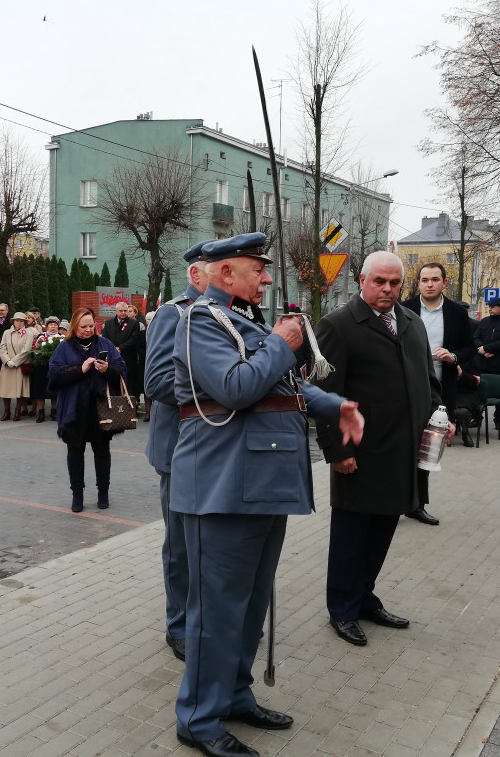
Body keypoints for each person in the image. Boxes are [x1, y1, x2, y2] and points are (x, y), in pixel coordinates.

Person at [170, 233, 363, 757]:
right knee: (215, 611)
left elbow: (285, 388)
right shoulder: (198, 322)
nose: (268, 277)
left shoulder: (248, 322)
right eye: (258, 268)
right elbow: (234, 387)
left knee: (251, 603)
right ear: (224, 274)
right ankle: (198, 718)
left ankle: (233, 693)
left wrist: (335, 405)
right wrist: (282, 343)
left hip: (260, 483)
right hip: (222, 485)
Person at [316, 251, 446, 648]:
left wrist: (440, 413)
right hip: (361, 450)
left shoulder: (411, 322)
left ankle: (365, 597)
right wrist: (337, 451)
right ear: (362, 280)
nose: (388, 290)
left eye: (394, 283)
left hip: (405, 450)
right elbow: (323, 394)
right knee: (352, 535)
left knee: (385, 527)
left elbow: (428, 378)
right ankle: (342, 608)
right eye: (380, 282)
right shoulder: (338, 325)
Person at [143, 240, 212, 662]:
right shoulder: (175, 313)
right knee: (182, 546)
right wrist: (218, 389)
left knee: (215, 544)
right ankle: (180, 625)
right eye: (216, 270)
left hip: (217, 448)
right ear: (195, 275)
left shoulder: (229, 314)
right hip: (179, 447)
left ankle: (213, 619)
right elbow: (155, 382)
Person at [402, 262, 471, 519]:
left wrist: (453, 356)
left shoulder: (456, 313)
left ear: (444, 282)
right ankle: (397, 500)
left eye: (435, 279)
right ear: (418, 283)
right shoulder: (404, 309)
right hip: (406, 389)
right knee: (402, 447)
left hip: (440, 391)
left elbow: (468, 348)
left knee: (428, 446)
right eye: (424, 279)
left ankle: (417, 505)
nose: (429, 284)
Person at [48, 308, 126, 512]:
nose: (88, 330)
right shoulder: (64, 347)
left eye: (91, 326)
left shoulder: (105, 343)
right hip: (74, 410)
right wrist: (79, 370)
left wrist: (107, 369)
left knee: (102, 453)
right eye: (84, 327)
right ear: (75, 326)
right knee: (75, 452)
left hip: (100, 408)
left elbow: (122, 371)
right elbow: (54, 375)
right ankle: (77, 494)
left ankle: (103, 493)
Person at [473, 296, 500, 430]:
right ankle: (477, 418)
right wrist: (482, 350)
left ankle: (498, 421)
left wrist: (487, 348)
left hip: (498, 364)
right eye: (489, 307)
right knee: (477, 392)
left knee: (499, 394)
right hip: (482, 363)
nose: (490, 309)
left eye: (493, 307)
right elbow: (475, 337)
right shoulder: (484, 321)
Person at [101, 301, 141, 410]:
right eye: (121, 311)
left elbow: (134, 339)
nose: (123, 313)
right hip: (112, 359)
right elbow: (105, 338)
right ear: (116, 311)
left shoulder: (133, 323)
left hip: (128, 358)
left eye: (125, 311)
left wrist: (120, 348)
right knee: (114, 383)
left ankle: (131, 409)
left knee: (129, 384)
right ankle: (112, 408)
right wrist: (113, 349)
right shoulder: (108, 323)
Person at [0, 312, 33, 421]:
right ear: (13, 321)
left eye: (21, 321)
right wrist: (7, 361)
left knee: (20, 391)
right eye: (17, 320)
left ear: (25, 323)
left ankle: (17, 411)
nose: (19, 323)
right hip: (7, 366)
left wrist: (15, 361)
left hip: (20, 365)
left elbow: (26, 350)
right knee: (6, 390)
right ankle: (6, 411)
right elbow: (2, 348)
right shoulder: (6, 333)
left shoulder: (28, 333)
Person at [30, 316, 63, 422]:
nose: (53, 327)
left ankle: (54, 411)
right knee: (40, 390)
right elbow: (35, 350)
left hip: (55, 368)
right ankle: (41, 412)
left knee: (54, 390)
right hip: (41, 367)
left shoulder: (61, 338)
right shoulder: (41, 337)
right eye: (51, 325)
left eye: (55, 325)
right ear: (47, 326)